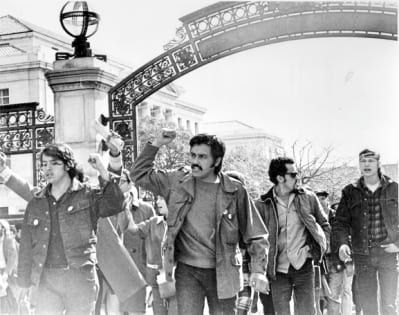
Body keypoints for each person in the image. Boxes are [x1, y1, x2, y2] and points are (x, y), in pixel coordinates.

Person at [131, 130, 269, 315]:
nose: (195, 161)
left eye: (202, 157)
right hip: (187, 271)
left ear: (217, 161)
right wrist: (156, 143)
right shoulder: (176, 181)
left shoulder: (235, 191)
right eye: (193, 155)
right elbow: (138, 174)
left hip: (224, 273)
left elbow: (256, 234)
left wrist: (259, 270)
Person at [0, 143, 124, 314]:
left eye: (54, 163)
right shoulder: (37, 202)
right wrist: (24, 283)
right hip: (46, 280)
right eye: (44, 164)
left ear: (67, 165)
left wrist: (103, 171)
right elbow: (26, 247)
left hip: (80, 278)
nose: (47, 169)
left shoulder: (86, 195)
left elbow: (115, 204)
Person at [255, 157, 330, 315]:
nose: (299, 178)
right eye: (294, 174)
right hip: (277, 270)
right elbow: (255, 239)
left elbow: (325, 225)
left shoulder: (308, 198)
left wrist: (318, 248)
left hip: (304, 266)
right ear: (280, 178)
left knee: (307, 312)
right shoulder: (262, 204)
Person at [332, 149, 398, 315]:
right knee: (368, 306)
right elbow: (340, 223)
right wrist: (342, 244)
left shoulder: (394, 189)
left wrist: (398, 244)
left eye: (370, 161)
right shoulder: (350, 191)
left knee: (389, 305)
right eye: (363, 161)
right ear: (359, 165)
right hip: (362, 254)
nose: (366, 164)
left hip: (387, 253)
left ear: (378, 164)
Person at [0, 219, 18, 314]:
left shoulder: (8, 240)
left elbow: (12, 257)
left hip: (7, 272)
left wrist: (6, 273)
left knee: (12, 298)